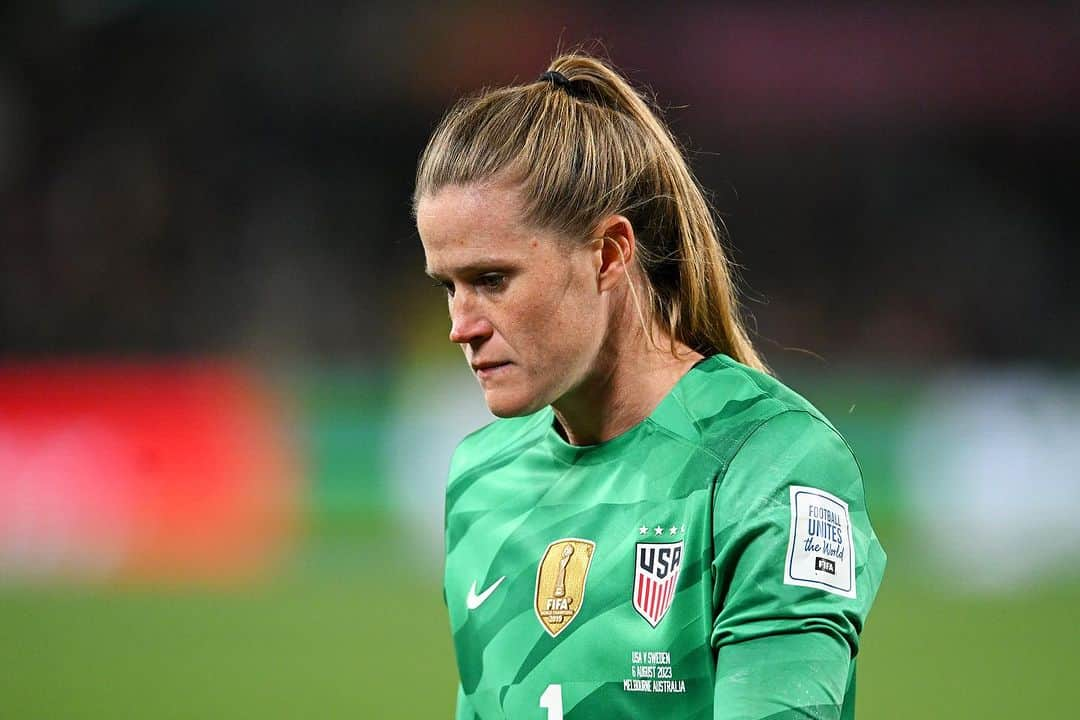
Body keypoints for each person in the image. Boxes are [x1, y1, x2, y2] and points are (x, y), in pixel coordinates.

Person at [413, 52, 886, 720]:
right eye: (448, 286)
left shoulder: (771, 465)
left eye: (492, 280)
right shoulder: (480, 477)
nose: (461, 326)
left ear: (608, 254)